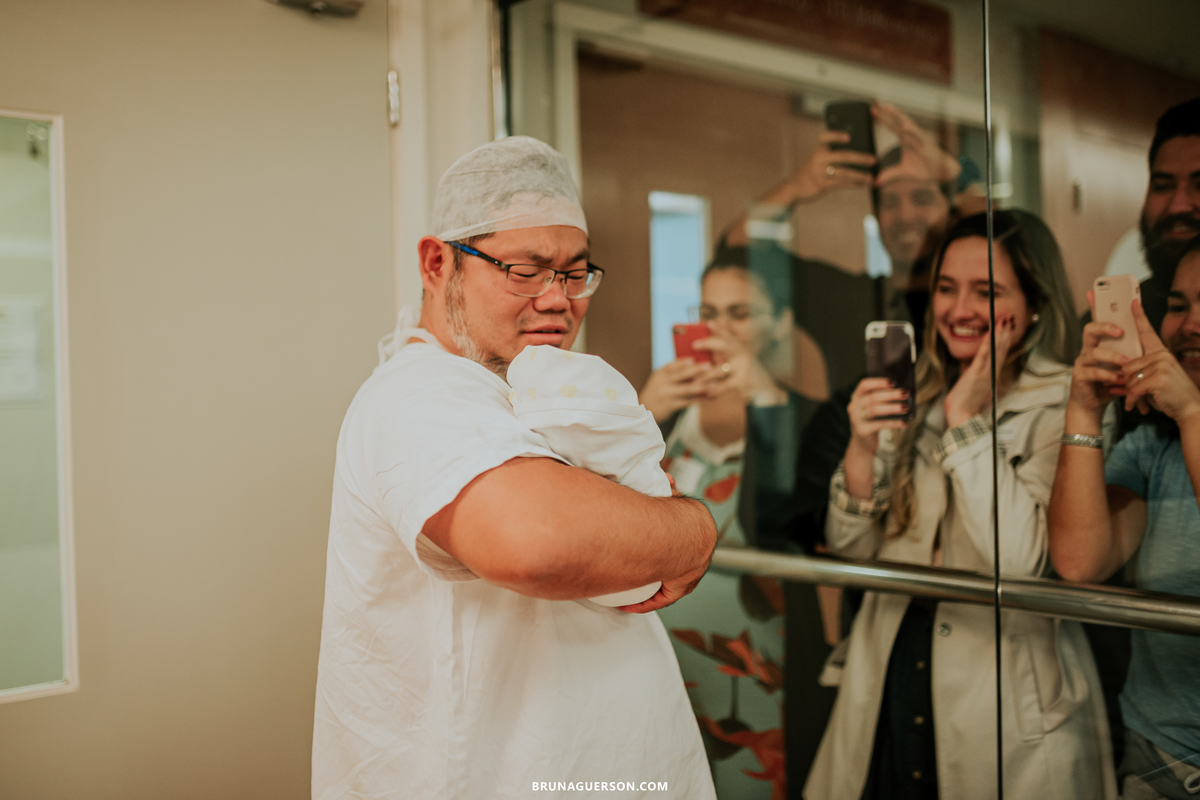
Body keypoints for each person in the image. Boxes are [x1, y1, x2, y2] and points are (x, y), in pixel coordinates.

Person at [311, 136, 719, 800]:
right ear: (437, 262)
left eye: (574, 272)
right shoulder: (420, 395)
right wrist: (694, 527)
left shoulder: (530, 395)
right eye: (524, 271)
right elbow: (541, 542)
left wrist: (643, 527)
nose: (558, 299)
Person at [805, 210, 1115, 800]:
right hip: (894, 663)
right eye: (947, 289)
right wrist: (863, 448)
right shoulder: (915, 390)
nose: (959, 309)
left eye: (988, 291)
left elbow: (1022, 565)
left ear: (1035, 306)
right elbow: (852, 550)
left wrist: (967, 424)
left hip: (1001, 686)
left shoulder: (1066, 403)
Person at [637, 249, 818, 798]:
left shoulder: (805, 420)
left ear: (780, 323)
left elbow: (794, 523)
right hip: (659, 660)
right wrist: (640, 413)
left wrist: (764, 400)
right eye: (708, 313)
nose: (718, 330)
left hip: (761, 671)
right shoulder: (668, 411)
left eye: (740, 314)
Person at [1048, 237, 1200, 799]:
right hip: (1157, 756)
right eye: (1180, 304)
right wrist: (1084, 407)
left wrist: (1191, 412)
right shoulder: (1154, 448)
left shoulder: (1183, 423)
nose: (1189, 324)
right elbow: (1080, 560)